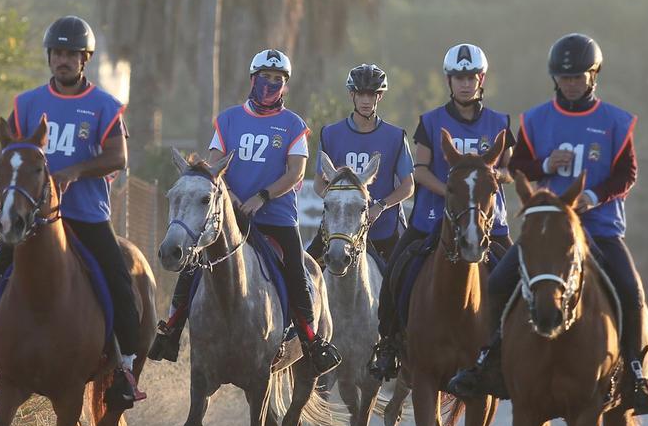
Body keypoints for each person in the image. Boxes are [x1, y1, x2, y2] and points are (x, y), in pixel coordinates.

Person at [446, 33, 648, 416]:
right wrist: (547, 165)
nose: (570, 84)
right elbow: (517, 169)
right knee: (496, 283)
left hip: (598, 226)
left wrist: (594, 197)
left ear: (593, 76)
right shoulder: (536, 119)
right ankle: (488, 360)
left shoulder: (615, 121)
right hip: (547, 228)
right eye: (564, 78)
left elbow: (627, 173)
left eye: (578, 78)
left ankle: (635, 373)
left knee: (631, 291)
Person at [0, 15, 145, 408]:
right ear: (50, 57)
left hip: (86, 214)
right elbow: (12, 153)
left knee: (119, 280)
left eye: (71, 54)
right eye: (57, 53)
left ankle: (123, 368)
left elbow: (118, 157)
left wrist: (74, 170)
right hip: (32, 219)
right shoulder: (27, 103)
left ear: (84, 59)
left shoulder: (104, 106)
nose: (63, 60)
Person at [147, 49, 341, 375]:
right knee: (194, 263)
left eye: (278, 80)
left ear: (285, 86)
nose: (271, 85)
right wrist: (233, 198)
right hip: (230, 213)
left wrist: (261, 197)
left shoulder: (293, 125)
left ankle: (311, 340)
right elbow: (212, 168)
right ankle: (171, 331)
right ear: (253, 79)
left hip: (277, 216)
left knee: (296, 270)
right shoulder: (227, 119)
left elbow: (295, 173)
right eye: (265, 78)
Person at [367, 43, 514, 380]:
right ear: (449, 80)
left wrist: (489, 178)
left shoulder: (499, 122)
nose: (465, 83)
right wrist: (452, 191)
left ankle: (510, 349)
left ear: (481, 79)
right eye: (459, 77)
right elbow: (419, 170)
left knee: (519, 280)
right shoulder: (431, 122)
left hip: (489, 224)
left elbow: (512, 171)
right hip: (433, 219)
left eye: (471, 77)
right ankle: (389, 344)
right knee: (394, 275)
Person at [305, 63, 414, 263]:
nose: (366, 100)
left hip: (384, 231)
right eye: (361, 94)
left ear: (379, 96)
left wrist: (380, 206)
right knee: (305, 274)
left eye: (372, 95)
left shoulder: (396, 136)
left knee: (408, 280)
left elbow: (408, 187)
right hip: (337, 232)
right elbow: (319, 183)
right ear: (351, 95)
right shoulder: (330, 134)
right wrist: (339, 203)